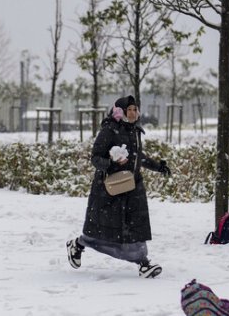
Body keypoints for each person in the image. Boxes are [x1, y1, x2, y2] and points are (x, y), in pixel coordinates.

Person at [66, 95, 171, 278]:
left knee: (135, 227)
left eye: (135, 109)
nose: (133, 113)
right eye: (129, 109)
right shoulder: (110, 129)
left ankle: (143, 263)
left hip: (133, 186)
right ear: (121, 111)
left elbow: (138, 156)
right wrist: (112, 162)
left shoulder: (135, 130)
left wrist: (158, 167)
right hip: (112, 188)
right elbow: (95, 157)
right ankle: (78, 244)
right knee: (104, 230)